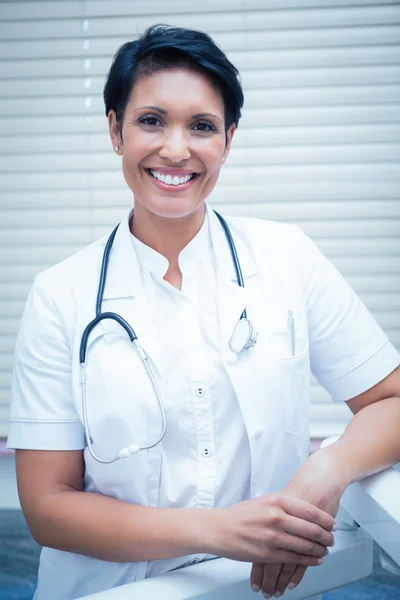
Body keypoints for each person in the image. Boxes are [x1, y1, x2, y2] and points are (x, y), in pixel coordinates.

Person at [7, 23, 400, 600]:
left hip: (262, 590)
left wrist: (327, 471)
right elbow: (47, 508)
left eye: (202, 126)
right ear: (115, 130)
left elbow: (390, 402)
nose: (175, 148)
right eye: (150, 120)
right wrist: (222, 531)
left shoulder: (288, 257)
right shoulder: (59, 294)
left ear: (229, 139)